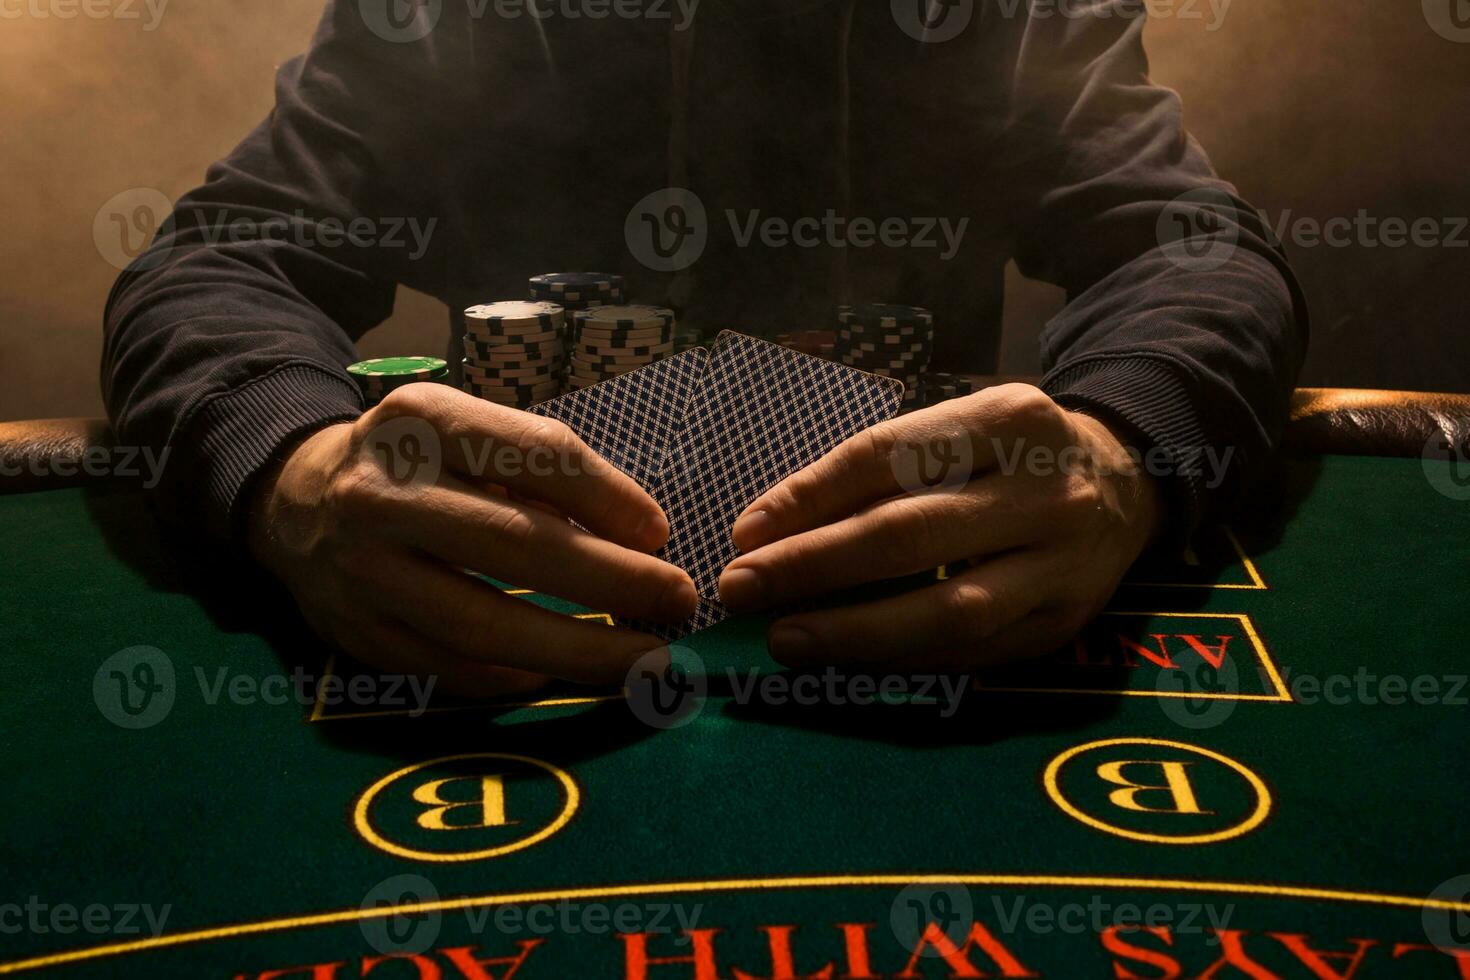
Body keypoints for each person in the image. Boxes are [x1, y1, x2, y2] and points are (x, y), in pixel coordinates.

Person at [102, 0, 1306, 694]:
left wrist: (1121, 447)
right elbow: (218, 262)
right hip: (522, 635)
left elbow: (1192, 255)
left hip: (903, 629)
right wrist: (293, 469)